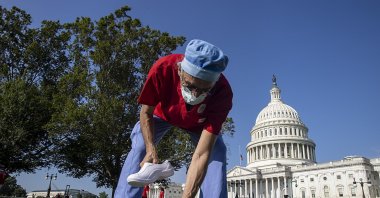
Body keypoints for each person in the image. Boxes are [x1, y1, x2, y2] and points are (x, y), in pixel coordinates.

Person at [115, 39, 233, 198]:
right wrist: (150, 149)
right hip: (161, 114)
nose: (195, 94)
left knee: (217, 151)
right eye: (190, 85)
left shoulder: (223, 93)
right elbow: (145, 113)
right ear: (179, 70)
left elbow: (201, 154)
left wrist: (187, 195)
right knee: (140, 147)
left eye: (204, 89)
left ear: (215, 82)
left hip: (199, 123)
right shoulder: (162, 68)